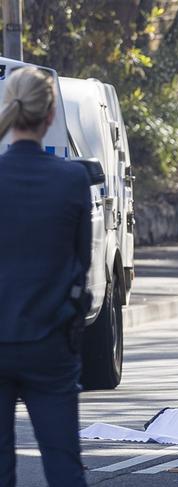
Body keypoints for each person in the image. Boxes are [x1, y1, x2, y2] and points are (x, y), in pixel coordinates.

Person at [0, 67, 90, 486]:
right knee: (63, 463)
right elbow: (81, 264)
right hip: (51, 343)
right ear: (50, 114)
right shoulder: (72, 180)